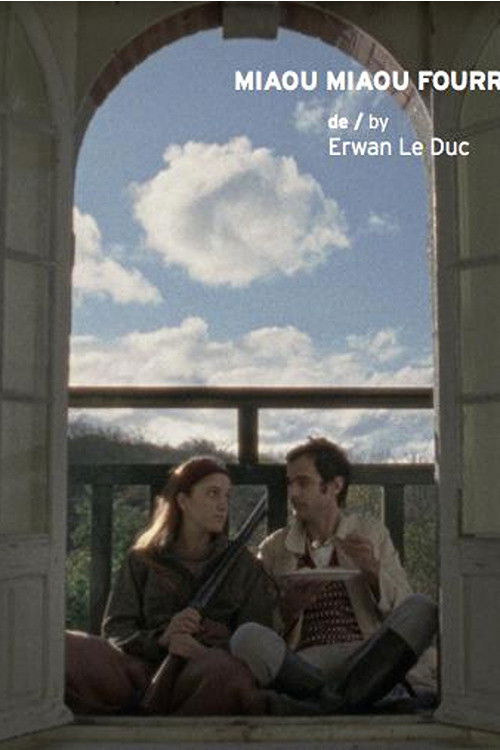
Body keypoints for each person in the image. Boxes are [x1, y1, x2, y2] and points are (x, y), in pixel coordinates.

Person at [230, 437, 438, 714]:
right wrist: (288, 608)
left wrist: (373, 572)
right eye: (290, 483)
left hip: (368, 657)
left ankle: (322, 704)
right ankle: (351, 702)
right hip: (304, 664)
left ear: (334, 486)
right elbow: (263, 623)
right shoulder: (275, 548)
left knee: (424, 607)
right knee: (246, 637)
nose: (293, 492)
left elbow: (403, 606)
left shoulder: (370, 533)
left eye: (303, 483)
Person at [66, 456, 277, 715]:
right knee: (68, 647)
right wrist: (162, 639)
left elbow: (256, 638)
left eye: (227, 496)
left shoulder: (242, 563)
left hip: (206, 674)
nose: (223, 505)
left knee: (225, 674)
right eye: (212, 493)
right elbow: (116, 630)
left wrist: (207, 648)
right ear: (183, 501)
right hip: (140, 671)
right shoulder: (143, 559)